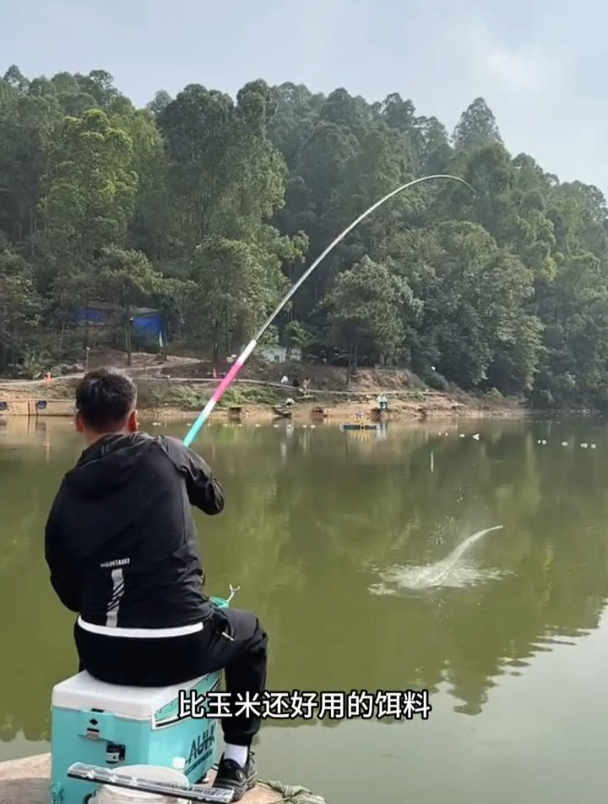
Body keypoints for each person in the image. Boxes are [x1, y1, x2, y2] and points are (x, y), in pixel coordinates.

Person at [44, 368, 267, 801]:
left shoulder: (67, 492)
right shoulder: (167, 451)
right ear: (134, 418)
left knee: (97, 624)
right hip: (180, 649)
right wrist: (184, 462)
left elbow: (69, 593)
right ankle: (236, 762)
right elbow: (216, 502)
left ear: (78, 421)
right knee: (252, 633)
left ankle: (102, 743)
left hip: (98, 651)